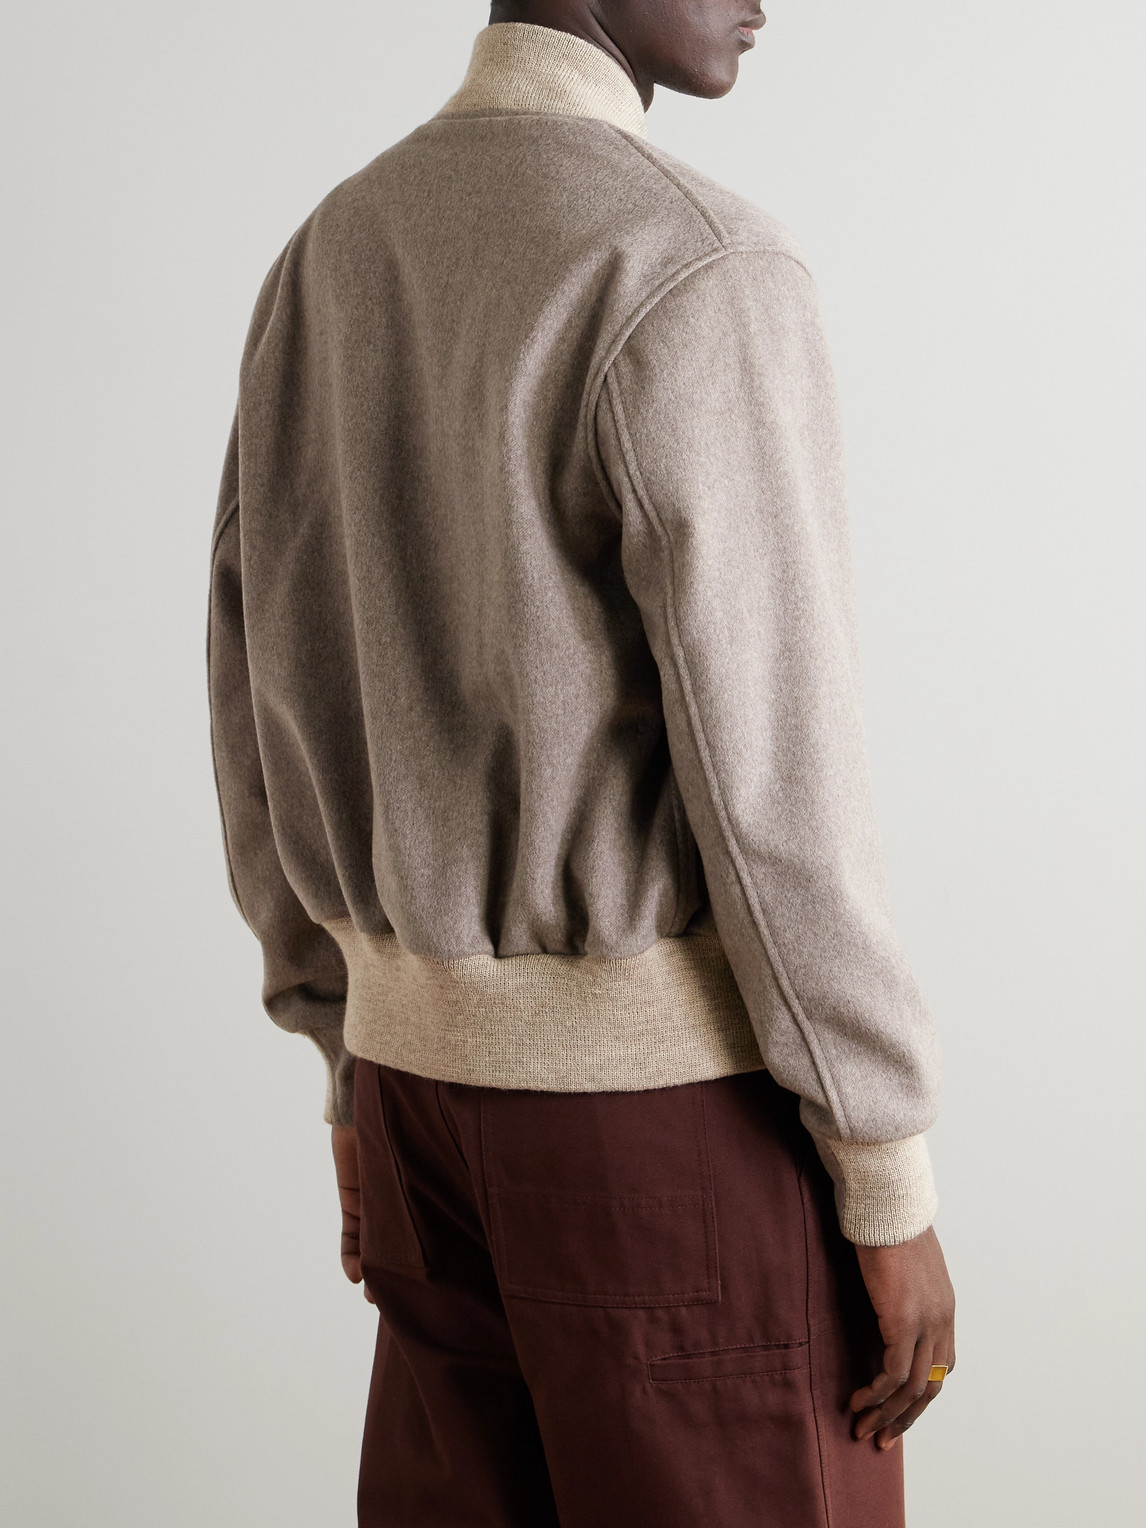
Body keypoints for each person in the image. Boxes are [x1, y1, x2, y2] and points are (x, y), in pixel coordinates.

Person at [207, 3, 956, 1523]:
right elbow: (776, 781)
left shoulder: (332, 250)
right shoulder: (691, 258)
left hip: (415, 1111)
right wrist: (883, 1166)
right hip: (665, 1138)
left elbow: (253, 673)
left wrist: (346, 1051)